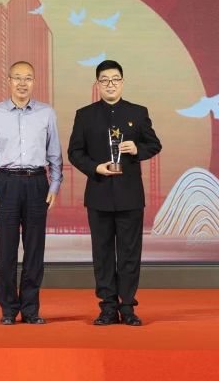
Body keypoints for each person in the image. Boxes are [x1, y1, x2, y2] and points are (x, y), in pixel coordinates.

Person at [68, 60, 162, 327]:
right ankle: (108, 307)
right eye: (105, 80)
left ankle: (128, 306)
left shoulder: (138, 112)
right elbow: (74, 152)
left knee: (130, 253)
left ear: (122, 82)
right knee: (103, 254)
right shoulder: (85, 115)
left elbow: (154, 144)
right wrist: (95, 168)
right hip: (99, 194)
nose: (110, 84)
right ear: (97, 84)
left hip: (130, 196)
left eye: (115, 79)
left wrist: (137, 150)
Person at [0, 61, 63, 325]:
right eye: (17, 77)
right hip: (6, 183)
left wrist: (54, 185)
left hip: (37, 183)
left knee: (34, 249)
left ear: (34, 82)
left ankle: (30, 309)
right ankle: (8, 310)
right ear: (9, 81)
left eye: (28, 78)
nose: (22, 83)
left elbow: (55, 154)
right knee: (6, 250)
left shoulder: (46, 113)